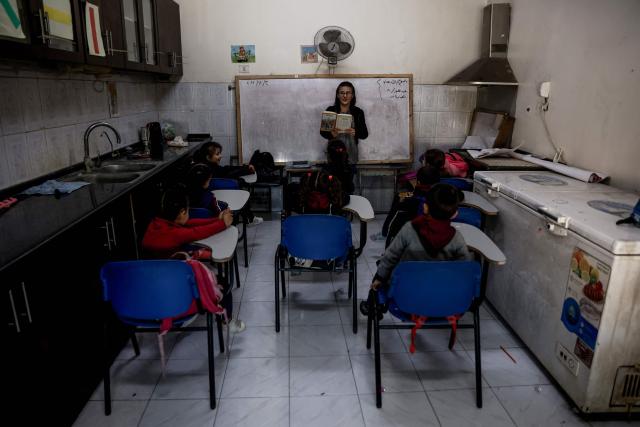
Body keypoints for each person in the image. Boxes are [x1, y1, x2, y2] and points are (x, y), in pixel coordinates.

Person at [141, 185, 245, 332]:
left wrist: (216, 219)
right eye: (187, 210)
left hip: (154, 287)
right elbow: (195, 232)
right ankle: (227, 321)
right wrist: (222, 223)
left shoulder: (157, 224)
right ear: (182, 211)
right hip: (177, 289)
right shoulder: (175, 234)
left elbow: (191, 225)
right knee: (223, 284)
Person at [372, 183, 472, 292]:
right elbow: (464, 269)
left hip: (406, 295)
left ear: (425, 207)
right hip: (441, 296)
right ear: (455, 214)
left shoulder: (409, 229)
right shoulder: (457, 238)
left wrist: (379, 278)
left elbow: (390, 257)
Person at [193, 141, 263, 226]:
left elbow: (226, 170)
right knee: (240, 190)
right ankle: (249, 219)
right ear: (208, 157)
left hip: (220, 195)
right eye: (217, 154)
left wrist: (245, 168)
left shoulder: (210, 165)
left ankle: (249, 219)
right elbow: (228, 174)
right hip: (219, 195)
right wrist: (245, 171)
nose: (220, 156)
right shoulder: (207, 170)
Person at [320, 81, 368, 162]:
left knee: (351, 174)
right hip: (333, 155)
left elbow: (364, 134)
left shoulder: (358, 112)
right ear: (338, 95)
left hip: (352, 155)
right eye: (342, 93)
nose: (345, 96)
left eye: (348, 93)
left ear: (352, 95)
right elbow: (322, 132)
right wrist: (331, 134)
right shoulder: (331, 110)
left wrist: (355, 132)